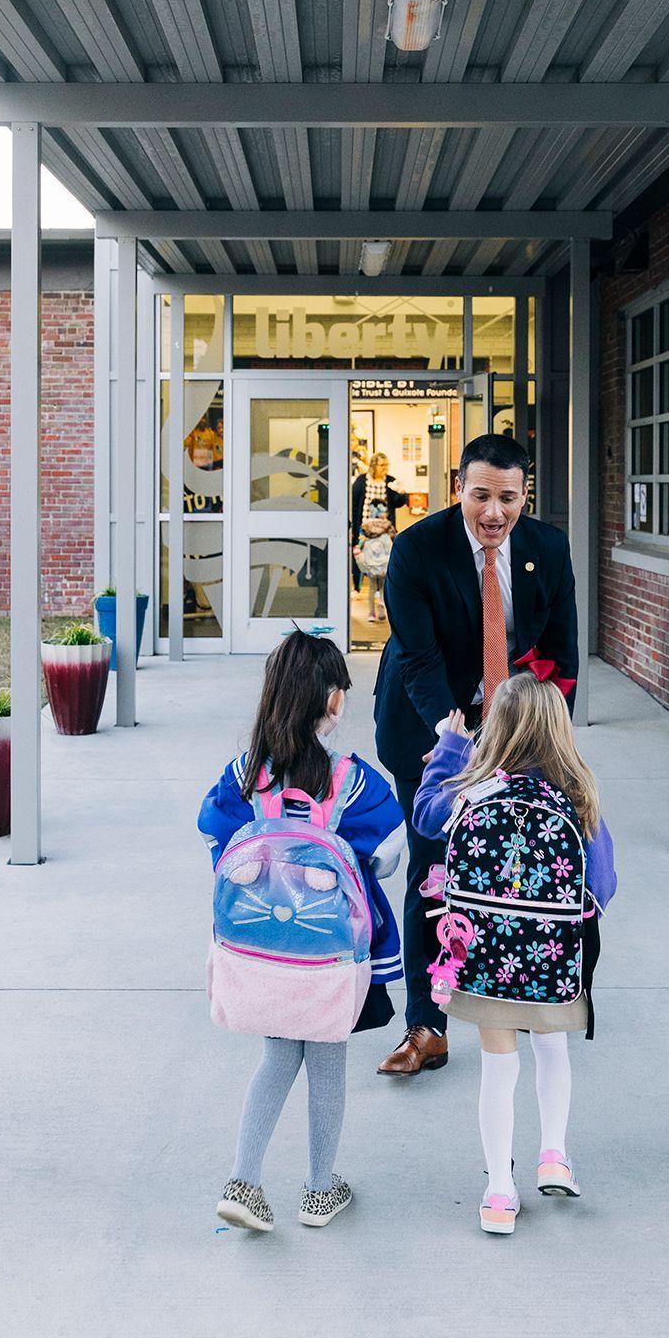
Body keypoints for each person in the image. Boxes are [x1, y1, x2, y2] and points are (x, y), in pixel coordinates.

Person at [372, 433, 579, 1077]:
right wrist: (453, 734)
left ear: (526, 494)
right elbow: (418, 657)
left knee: (519, 868)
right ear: (458, 487)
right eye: (480, 495)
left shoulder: (547, 547)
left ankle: (511, 993)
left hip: (517, 730)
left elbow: (562, 652)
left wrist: (545, 739)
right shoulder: (416, 550)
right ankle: (426, 1025)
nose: (494, 512)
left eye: (508, 498)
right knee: (433, 868)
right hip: (430, 726)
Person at [199, 631, 404, 1233]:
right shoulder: (351, 780)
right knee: (327, 1063)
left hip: (261, 947)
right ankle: (319, 1191)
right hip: (329, 953)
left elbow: (213, 835)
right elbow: (390, 852)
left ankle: (245, 1179)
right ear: (332, 701)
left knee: (276, 1056)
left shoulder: (244, 774)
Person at [413, 672, 614, 1233]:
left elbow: (425, 815)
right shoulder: (577, 795)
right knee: (552, 1051)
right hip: (553, 958)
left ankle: (499, 1191)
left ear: (493, 728)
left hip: (480, 954)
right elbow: (603, 883)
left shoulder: (472, 790)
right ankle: (553, 1153)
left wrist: (451, 748)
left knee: (498, 1069)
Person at [351, 450, 411, 623]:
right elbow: (354, 504)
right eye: (382, 465)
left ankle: (382, 602)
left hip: (384, 530)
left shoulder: (390, 481)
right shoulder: (362, 481)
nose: (385, 468)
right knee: (365, 561)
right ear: (374, 465)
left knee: (385, 563)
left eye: (387, 465)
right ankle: (358, 587)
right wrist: (354, 529)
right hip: (365, 530)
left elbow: (399, 503)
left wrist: (402, 493)